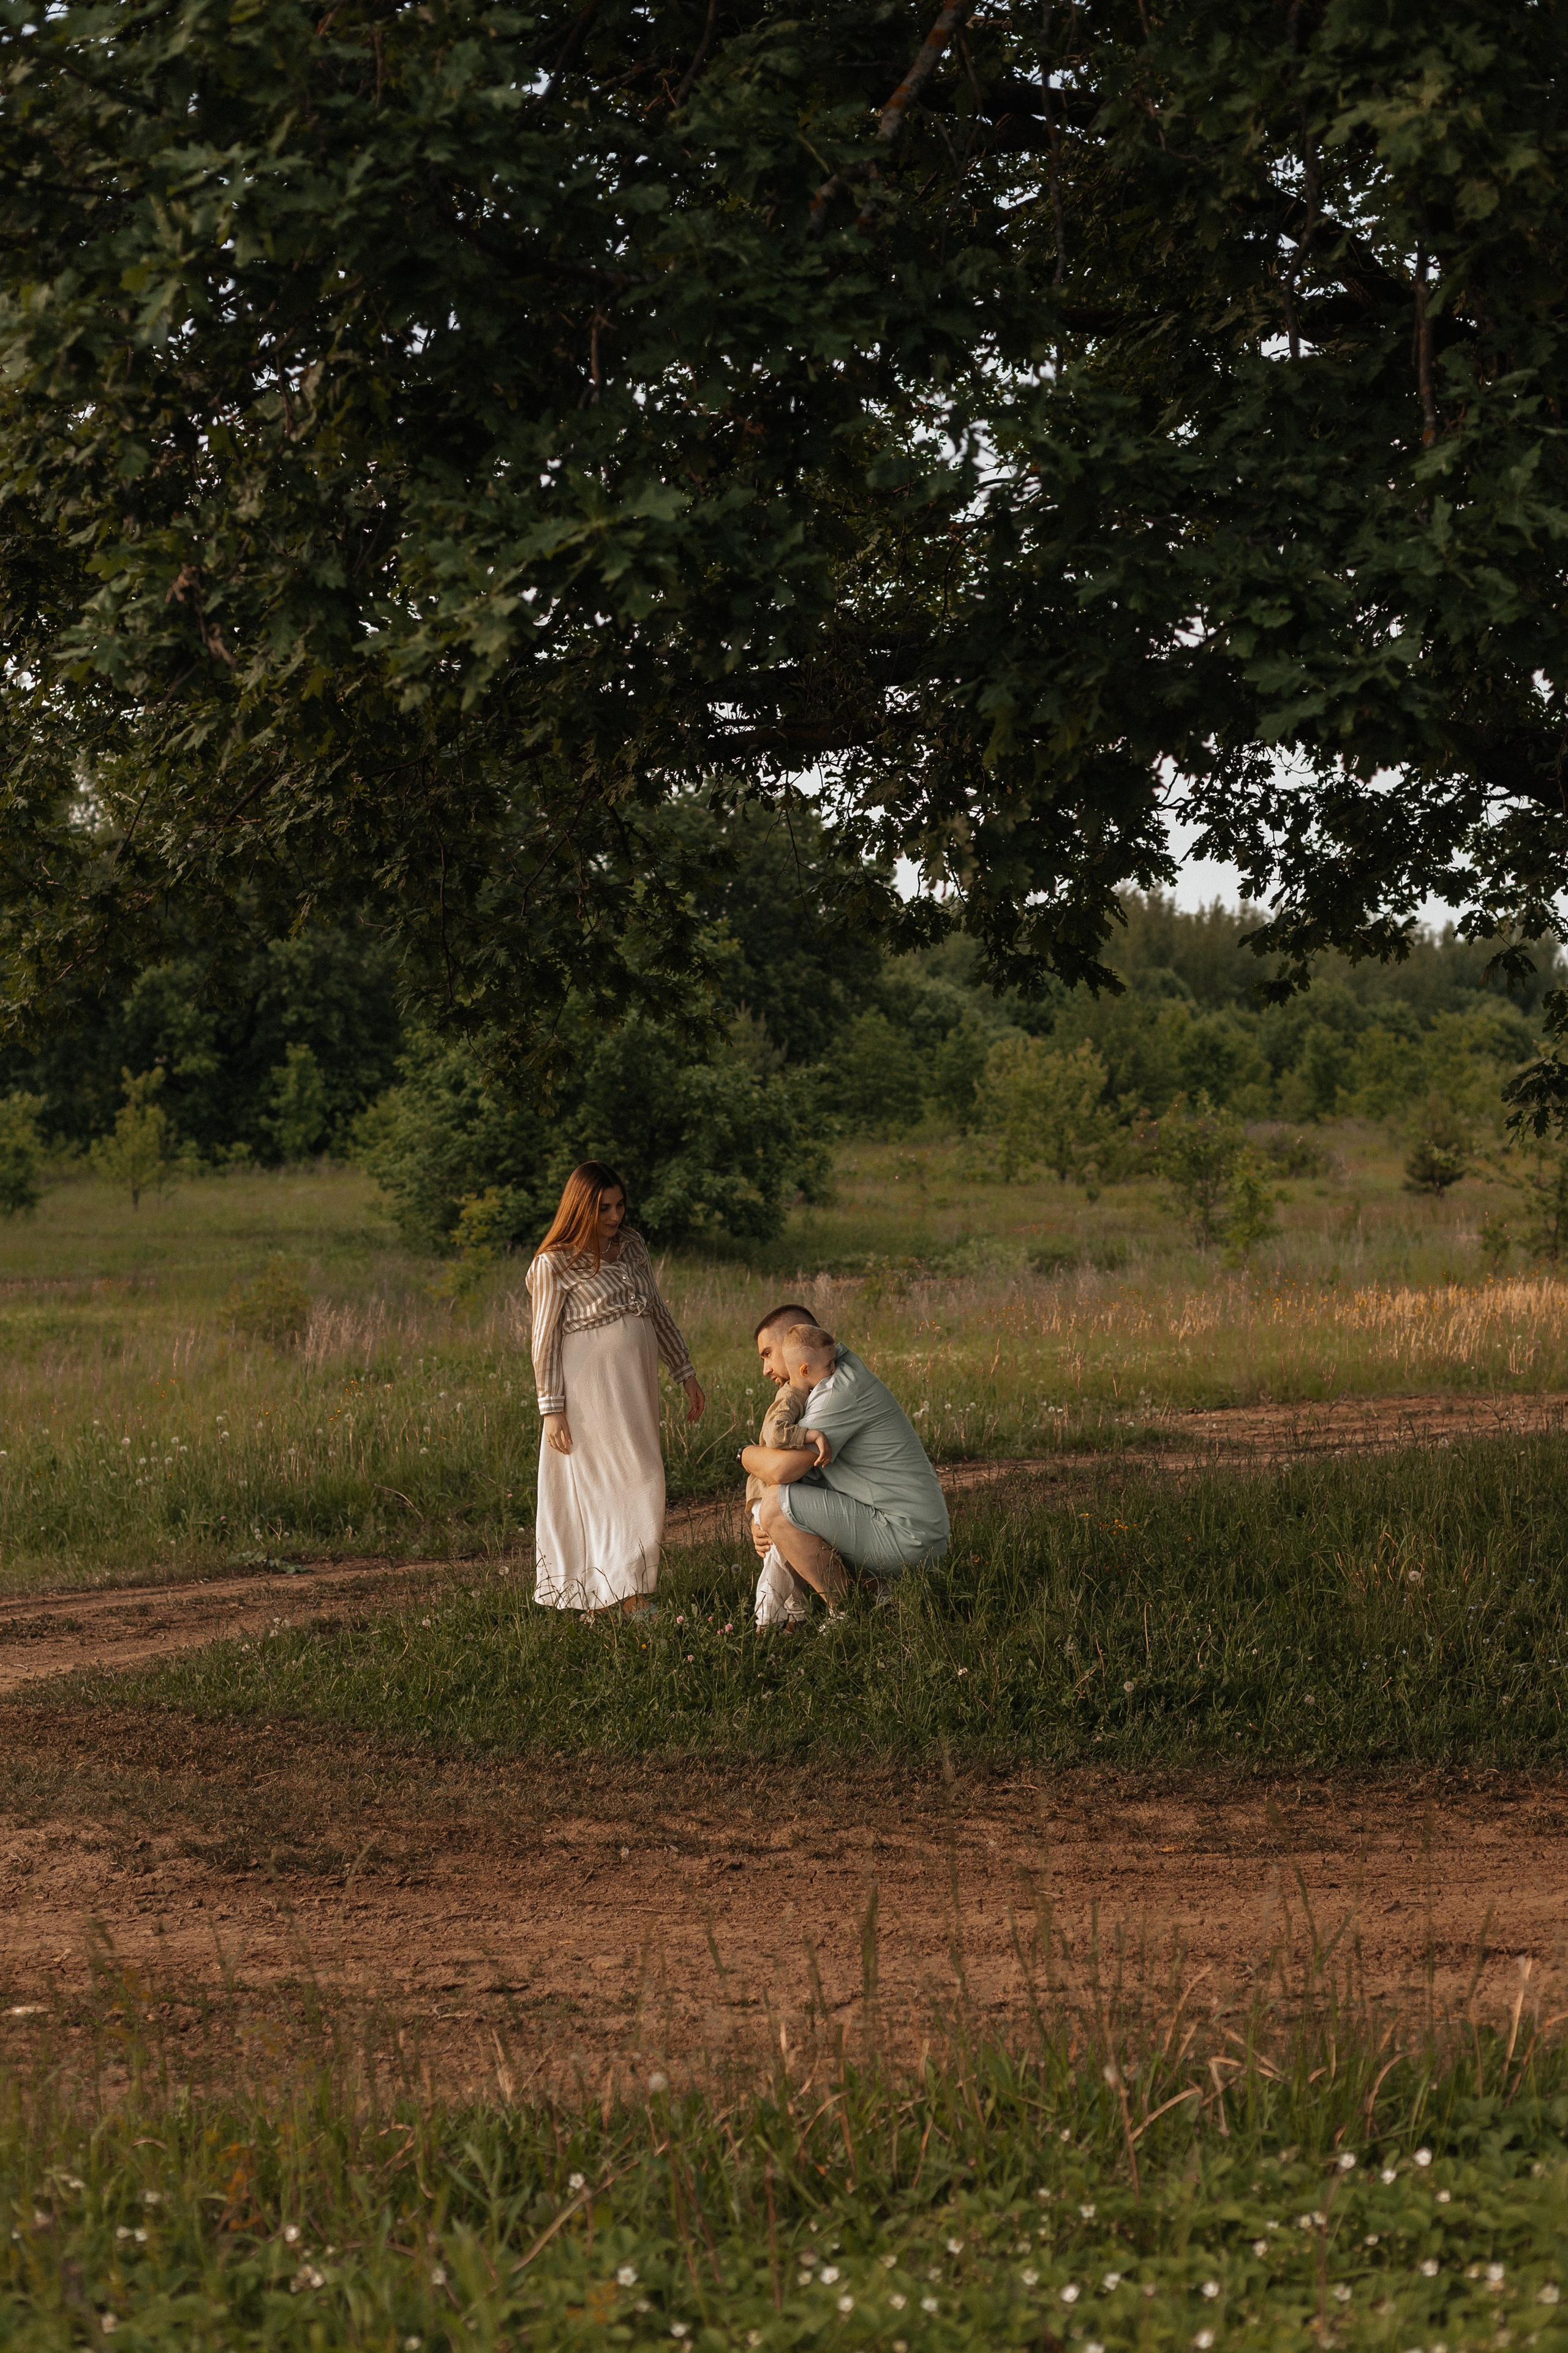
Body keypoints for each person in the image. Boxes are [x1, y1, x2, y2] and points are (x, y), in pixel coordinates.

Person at [527, 1161, 705, 1615]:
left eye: (620, 1204)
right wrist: (552, 1408)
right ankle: (625, 1597)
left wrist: (684, 1370)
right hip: (591, 1392)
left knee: (639, 1477)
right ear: (579, 1208)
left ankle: (610, 1597)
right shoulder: (554, 1263)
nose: (614, 1215)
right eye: (603, 1207)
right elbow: (543, 1340)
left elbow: (657, 1311)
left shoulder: (631, 1245)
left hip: (635, 1385)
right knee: (629, 1481)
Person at [741, 1305, 949, 1612]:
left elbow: (783, 1472)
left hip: (909, 1538)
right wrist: (759, 1523)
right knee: (779, 1509)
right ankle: (877, 1588)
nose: (766, 1369)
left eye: (768, 1354)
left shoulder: (837, 1391)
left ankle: (846, 1614)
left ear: (794, 1344)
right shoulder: (824, 1380)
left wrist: (743, 1454)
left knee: (776, 1506)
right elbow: (808, 1478)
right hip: (904, 1528)